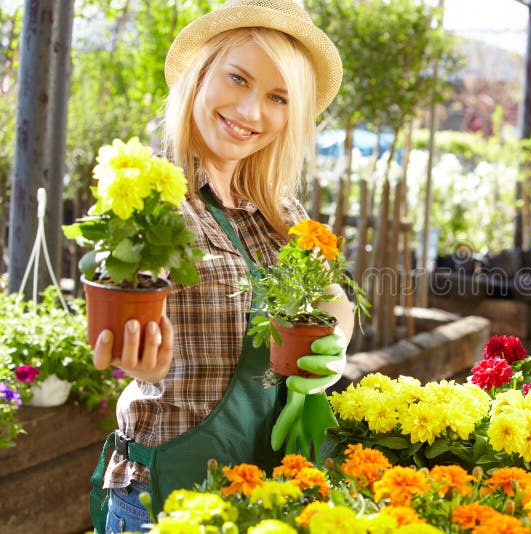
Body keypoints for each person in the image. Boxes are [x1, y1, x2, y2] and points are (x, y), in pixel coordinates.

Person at [87, 1, 352, 533]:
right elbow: (118, 312)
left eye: (278, 98)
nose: (252, 112)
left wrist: (334, 347)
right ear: (201, 73)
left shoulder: (277, 209)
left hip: (264, 492)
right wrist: (143, 363)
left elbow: (334, 298)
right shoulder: (151, 198)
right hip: (166, 497)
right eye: (238, 78)